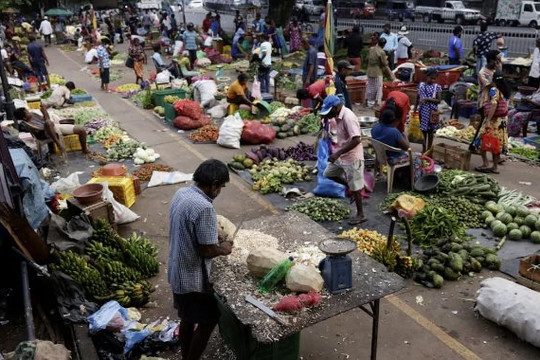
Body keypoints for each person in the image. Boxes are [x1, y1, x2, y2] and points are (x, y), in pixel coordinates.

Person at [168, 159, 233, 360]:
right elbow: (207, 250)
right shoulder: (204, 207)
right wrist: (222, 248)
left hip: (176, 271)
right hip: (192, 278)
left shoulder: (182, 193)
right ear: (213, 184)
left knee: (187, 318)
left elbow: (190, 229)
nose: (220, 191)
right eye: (220, 186)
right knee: (208, 321)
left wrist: (214, 234)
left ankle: (185, 355)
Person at [320, 95, 366, 225]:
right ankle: (349, 187)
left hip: (352, 157)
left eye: (329, 112)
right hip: (342, 155)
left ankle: (361, 214)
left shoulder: (348, 118)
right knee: (329, 173)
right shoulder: (337, 116)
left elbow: (357, 140)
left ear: (335, 108)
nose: (328, 115)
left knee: (356, 187)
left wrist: (337, 153)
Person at [14, 103, 88, 155]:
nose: (28, 112)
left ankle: (85, 150)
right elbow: (45, 126)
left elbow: (48, 120)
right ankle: (58, 143)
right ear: (24, 117)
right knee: (48, 123)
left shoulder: (34, 114)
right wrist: (44, 112)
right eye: (27, 112)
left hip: (55, 128)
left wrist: (44, 111)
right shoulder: (27, 124)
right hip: (45, 134)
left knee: (81, 130)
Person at [473, 71, 510, 174]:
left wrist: (488, 120)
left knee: (481, 140)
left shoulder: (494, 90)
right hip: (502, 121)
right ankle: (495, 166)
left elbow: (493, 104)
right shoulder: (506, 91)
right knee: (496, 144)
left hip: (493, 120)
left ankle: (485, 163)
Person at [415, 68, 442, 153]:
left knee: (430, 131)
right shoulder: (421, 85)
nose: (433, 80)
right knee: (423, 130)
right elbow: (417, 98)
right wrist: (415, 109)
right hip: (422, 111)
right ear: (427, 77)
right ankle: (424, 148)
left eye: (434, 78)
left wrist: (427, 99)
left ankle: (429, 149)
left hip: (432, 112)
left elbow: (439, 100)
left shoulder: (436, 87)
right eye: (431, 78)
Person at [366, 37, 394, 108]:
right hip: (377, 71)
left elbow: (367, 58)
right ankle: (376, 103)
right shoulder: (381, 52)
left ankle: (366, 101)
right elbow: (384, 63)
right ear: (384, 45)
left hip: (369, 70)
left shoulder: (371, 49)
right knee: (379, 87)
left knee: (369, 87)